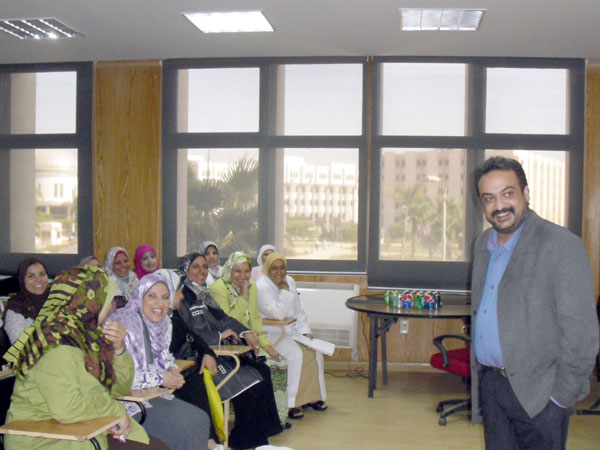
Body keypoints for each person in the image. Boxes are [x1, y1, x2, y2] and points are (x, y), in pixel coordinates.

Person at [471, 156, 599, 450]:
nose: (499, 205)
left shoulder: (561, 245)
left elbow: (582, 333)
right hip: (492, 385)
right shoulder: (482, 245)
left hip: (540, 394)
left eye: (508, 193)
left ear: (526, 193)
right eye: (489, 198)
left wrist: (559, 398)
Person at [3, 265, 163, 449]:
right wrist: (115, 410)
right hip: (46, 440)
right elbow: (67, 407)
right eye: (107, 300)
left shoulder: (88, 336)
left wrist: (119, 349)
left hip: (82, 429)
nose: (112, 308)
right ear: (89, 302)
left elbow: (118, 388)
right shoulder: (56, 344)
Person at [175, 252, 283, 449]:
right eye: (195, 267)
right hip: (198, 356)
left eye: (205, 267)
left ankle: (259, 435)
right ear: (184, 270)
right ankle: (243, 439)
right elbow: (188, 333)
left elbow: (224, 318)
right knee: (251, 383)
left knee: (262, 371)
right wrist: (218, 336)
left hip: (219, 351)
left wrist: (246, 331)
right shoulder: (181, 297)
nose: (202, 271)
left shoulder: (203, 294)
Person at [108, 272, 211, 450]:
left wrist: (171, 370)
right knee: (182, 429)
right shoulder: (123, 324)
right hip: (126, 404)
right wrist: (161, 378)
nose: (160, 304)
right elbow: (120, 378)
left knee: (200, 418)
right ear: (140, 296)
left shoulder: (163, 324)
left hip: (152, 395)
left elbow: (165, 356)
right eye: (152, 296)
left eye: (165, 297)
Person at [210, 252, 290, 425]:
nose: (243, 276)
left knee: (279, 364)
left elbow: (255, 319)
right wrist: (243, 297)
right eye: (237, 271)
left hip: (251, 342)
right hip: (230, 345)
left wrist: (267, 346)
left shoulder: (251, 285)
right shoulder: (219, 288)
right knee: (264, 369)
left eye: (246, 271)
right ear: (229, 270)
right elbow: (228, 323)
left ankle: (276, 419)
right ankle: (259, 421)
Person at [256, 252, 328, 419]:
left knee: (315, 352)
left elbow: (299, 311)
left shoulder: (290, 281)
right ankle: (291, 403)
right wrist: (284, 291)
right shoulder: (261, 286)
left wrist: (306, 331)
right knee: (296, 354)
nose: (279, 272)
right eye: (274, 268)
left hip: (292, 331)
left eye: (282, 268)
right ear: (267, 269)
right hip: (272, 333)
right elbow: (278, 314)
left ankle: (312, 397)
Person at [4, 257, 50, 344]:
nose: (38, 280)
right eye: (31, 276)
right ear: (22, 280)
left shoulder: (57, 300)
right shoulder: (16, 308)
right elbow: (20, 346)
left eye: (42, 274)